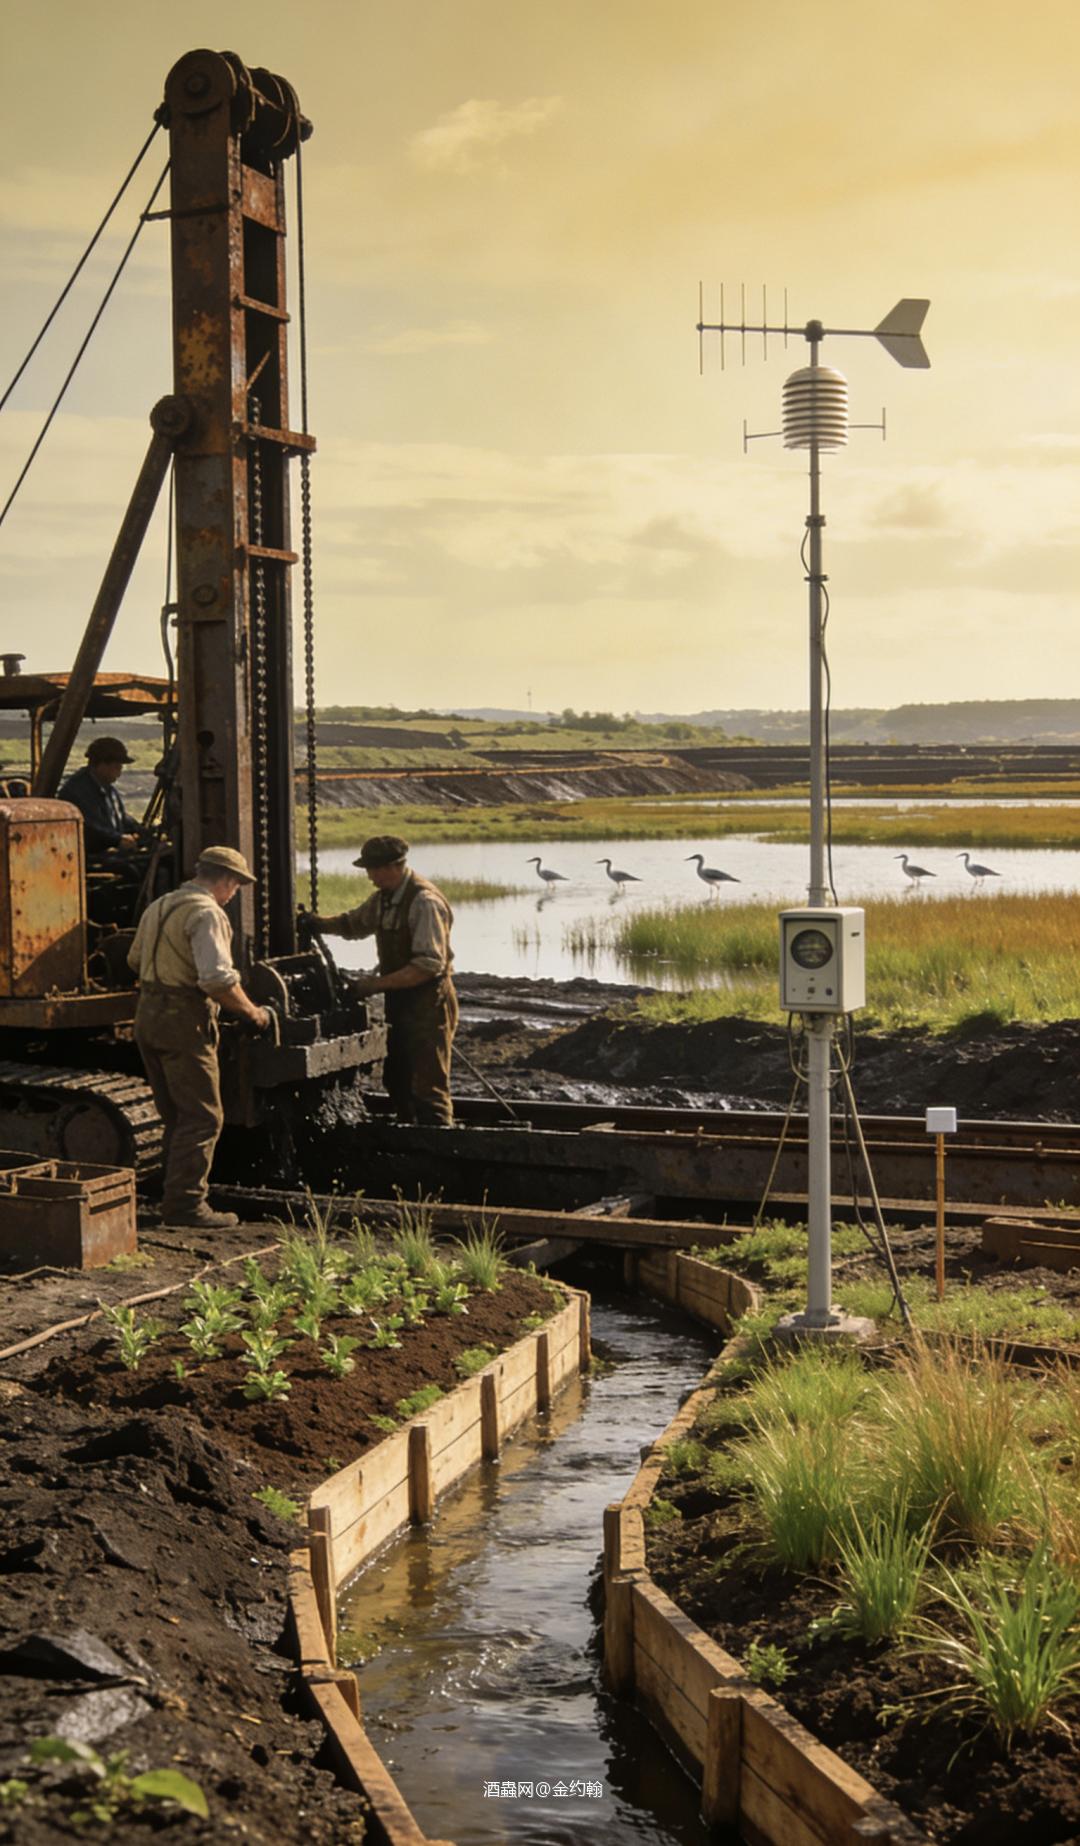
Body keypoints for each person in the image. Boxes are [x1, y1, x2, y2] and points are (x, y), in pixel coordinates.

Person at [127, 846, 272, 1228]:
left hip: (147, 1017)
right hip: (182, 1023)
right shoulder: (207, 913)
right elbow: (216, 980)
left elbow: (134, 960)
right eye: (236, 886)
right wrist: (253, 1012)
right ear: (225, 880)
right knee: (204, 1117)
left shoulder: (160, 906)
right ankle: (186, 1206)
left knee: (176, 1114)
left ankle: (171, 1191)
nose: (235, 893)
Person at [309, 835, 457, 1125]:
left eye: (374, 870)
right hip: (400, 1003)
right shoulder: (385, 900)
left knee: (428, 1086)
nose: (370, 877)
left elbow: (427, 966)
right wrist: (318, 923)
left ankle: (439, 1144)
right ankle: (408, 1135)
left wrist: (372, 985)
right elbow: (353, 924)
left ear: (393, 867)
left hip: (430, 1003)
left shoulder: (424, 902)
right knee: (397, 1077)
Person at [59, 736, 143, 856]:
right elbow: (90, 827)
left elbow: (120, 817)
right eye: (117, 766)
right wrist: (118, 839)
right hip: (89, 857)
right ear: (101, 764)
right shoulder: (78, 790)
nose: (120, 771)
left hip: (108, 851)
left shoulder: (108, 789)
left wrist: (140, 830)